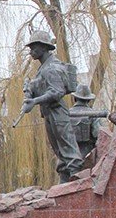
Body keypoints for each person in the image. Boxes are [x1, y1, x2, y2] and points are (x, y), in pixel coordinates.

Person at [20, 31, 83, 182]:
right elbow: (39, 88)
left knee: (68, 149)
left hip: (57, 112)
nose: (30, 51)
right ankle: (64, 180)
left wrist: (35, 101)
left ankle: (77, 182)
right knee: (59, 151)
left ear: (43, 47)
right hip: (48, 113)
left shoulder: (52, 68)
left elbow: (57, 91)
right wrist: (29, 90)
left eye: (33, 47)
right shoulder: (42, 69)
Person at [70, 84, 103, 160]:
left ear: (75, 98)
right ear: (88, 100)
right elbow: (98, 134)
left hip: (68, 156)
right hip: (88, 157)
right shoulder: (94, 115)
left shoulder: (66, 114)